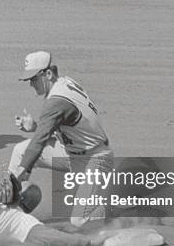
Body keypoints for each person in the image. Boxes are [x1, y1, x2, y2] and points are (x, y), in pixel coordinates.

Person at [8, 51, 114, 228]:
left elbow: (40, 141)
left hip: (96, 160)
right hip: (71, 153)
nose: (31, 85)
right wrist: (35, 127)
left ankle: (106, 220)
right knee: (20, 151)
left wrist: (21, 172)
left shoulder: (56, 101)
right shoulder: (65, 82)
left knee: (80, 221)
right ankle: (12, 210)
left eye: (34, 79)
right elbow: (68, 124)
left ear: (48, 74)